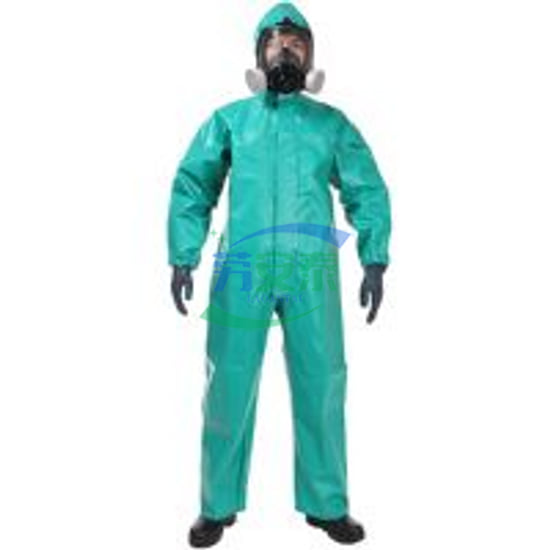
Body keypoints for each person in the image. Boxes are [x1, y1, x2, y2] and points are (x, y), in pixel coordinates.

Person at [167, 2, 392, 546]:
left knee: (323, 383)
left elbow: (365, 188)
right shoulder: (230, 122)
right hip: (242, 268)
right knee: (228, 385)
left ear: (310, 56)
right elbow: (193, 185)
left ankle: (326, 503)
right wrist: (183, 253)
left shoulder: (329, 125)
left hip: (310, 270)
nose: (285, 51)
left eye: (296, 43)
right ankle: (217, 505)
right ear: (259, 52)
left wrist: (374, 256)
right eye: (275, 42)